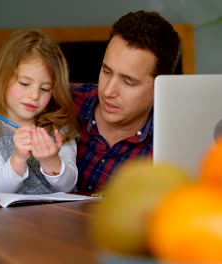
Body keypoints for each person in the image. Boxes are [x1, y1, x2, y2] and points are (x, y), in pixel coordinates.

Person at [71, 10, 182, 194]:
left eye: (128, 81)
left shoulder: (170, 148)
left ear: (161, 85)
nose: (108, 91)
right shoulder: (59, 100)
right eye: (106, 71)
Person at [0, 29, 79, 194]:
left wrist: (51, 160)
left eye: (45, 89)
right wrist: (18, 158)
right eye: (25, 83)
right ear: (1, 79)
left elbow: (68, 185)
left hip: (58, 215)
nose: (34, 95)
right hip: (8, 218)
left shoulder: (59, 126)